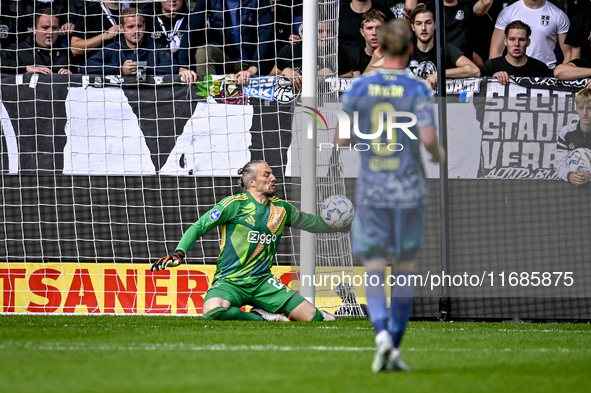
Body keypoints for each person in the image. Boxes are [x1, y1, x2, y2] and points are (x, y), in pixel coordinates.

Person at [337, 19, 445, 372]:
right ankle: (394, 341)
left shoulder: (359, 87)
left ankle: (382, 336)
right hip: (409, 191)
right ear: (411, 50)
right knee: (404, 270)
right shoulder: (417, 88)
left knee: (373, 268)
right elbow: (429, 140)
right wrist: (438, 155)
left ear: (379, 48)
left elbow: (342, 137)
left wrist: (361, 137)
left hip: (372, 191)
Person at [151, 160, 339, 322]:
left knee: (312, 318)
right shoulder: (234, 204)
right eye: (267, 175)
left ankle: (276, 308)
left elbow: (314, 224)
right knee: (213, 311)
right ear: (252, 182)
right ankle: (261, 316)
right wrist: (179, 252)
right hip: (230, 281)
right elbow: (198, 226)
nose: (273, 178)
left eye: (272, 174)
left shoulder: (282, 209)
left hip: (262, 282)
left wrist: (343, 224)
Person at [177, 0, 273, 86]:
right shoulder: (210, 1)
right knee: (204, 52)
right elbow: (193, 28)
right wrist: (183, 67)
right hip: (224, 59)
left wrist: (254, 66)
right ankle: (209, 97)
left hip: (249, 62)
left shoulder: (260, 1)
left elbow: (266, 33)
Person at [402, 5, 480, 87]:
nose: (423, 28)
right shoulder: (406, 49)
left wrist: (439, 74)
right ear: (412, 27)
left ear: (435, 25)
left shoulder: (444, 48)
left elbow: (474, 70)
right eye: (419, 24)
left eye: (428, 23)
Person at [85, 8, 177, 76]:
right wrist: (120, 68)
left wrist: (141, 68)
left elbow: (174, 67)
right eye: (130, 27)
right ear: (121, 28)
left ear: (144, 26)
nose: (135, 31)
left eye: (139, 26)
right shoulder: (112, 49)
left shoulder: (157, 49)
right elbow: (88, 66)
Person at [489, 0, 571, 70]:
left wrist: (560, 77)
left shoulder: (559, 15)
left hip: (546, 75)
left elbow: (569, 54)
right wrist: (500, 73)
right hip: (513, 75)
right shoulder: (507, 12)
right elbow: (495, 52)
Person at [273, 20, 354, 90]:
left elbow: (350, 85)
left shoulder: (339, 52)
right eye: (320, 31)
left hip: (327, 103)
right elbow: (268, 81)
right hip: (290, 104)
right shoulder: (288, 52)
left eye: (329, 31)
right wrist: (284, 73)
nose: (325, 35)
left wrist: (330, 72)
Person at [0, 7, 75, 75]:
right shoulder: (20, 50)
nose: (50, 31)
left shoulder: (66, 53)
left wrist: (71, 75)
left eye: (54, 28)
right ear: (34, 29)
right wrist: (25, 68)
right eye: (45, 27)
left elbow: (78, 76)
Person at [480, 20, 553, 84]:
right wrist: (492, 80)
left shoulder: (540, 68)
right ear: (505, 41)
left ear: (528, 42)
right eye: (512, 39)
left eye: (521, 39)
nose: (516, 44)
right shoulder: (491, 66)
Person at [555, 88, 591, 186]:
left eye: (589, 108)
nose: (584, 113)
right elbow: (560, 167)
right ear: (576, 109)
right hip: (572, 188)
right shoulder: (566, 132)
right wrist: (570, 176)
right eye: (581, 108)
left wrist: (590, 175)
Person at [349, 9, 386, 76]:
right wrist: (374, 61)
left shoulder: (393, 54)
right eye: (369, 28)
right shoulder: (353, 56)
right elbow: (357, 85)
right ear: (362, 32)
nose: (374, 33)